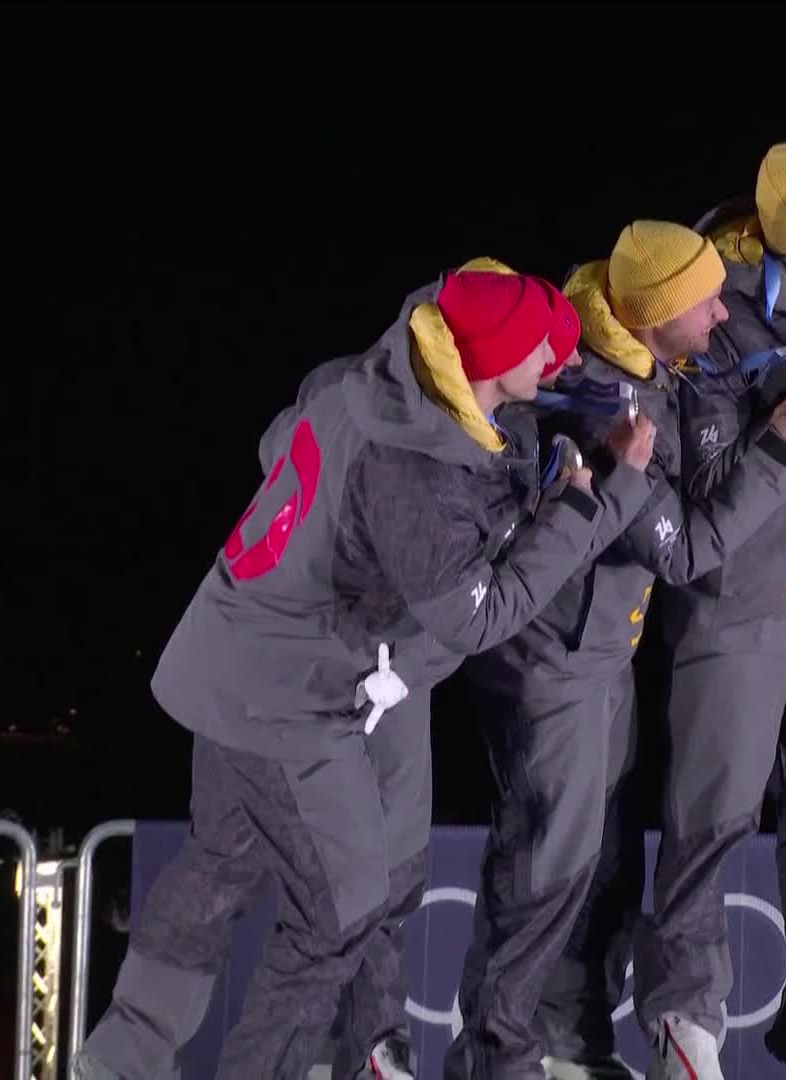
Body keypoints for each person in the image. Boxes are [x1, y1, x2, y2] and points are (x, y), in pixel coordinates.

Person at [72, 267, 656, 1080]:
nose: (561, 365)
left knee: (218, 864)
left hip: (239, 655)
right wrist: (590, 504)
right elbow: (476, 616)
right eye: (543, 350)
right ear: (493, 358)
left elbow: (283, 448)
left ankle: (118, 1061)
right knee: (342, 913)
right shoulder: (412, 463)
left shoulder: (370, 385)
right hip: (291, 693)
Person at [446, 222, 786, 1080]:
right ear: (653, 315)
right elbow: (686, 551)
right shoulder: (601, 403)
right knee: (544, 868)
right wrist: (783, 447)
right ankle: (498, 1058)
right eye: (705, 302)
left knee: (600, 863)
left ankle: (568, 1043)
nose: (722, 314)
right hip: (553, 663)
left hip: (601, 655)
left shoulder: (649, 371)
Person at [630, 141, 786, 1080]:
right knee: (711, 822)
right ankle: (684, 1025)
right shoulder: (720, 314)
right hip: (736, 606)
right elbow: (711, 478)